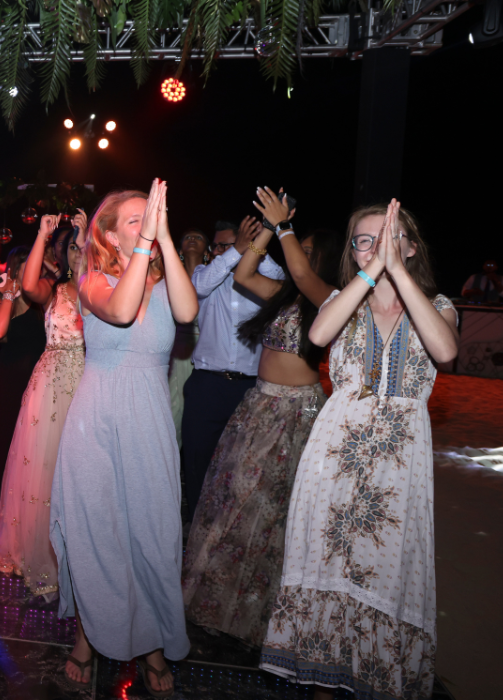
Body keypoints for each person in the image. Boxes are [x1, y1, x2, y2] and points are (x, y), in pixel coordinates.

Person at [260, 200, 458, 700]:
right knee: (328, 567)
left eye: (387, 237)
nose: (375, 246)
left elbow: (446, 351)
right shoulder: (342, 301)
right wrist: (372, 272)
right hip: (336, 453)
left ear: (410, 247)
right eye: (363, 240)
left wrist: (398, 273)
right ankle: (322, 683)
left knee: (385, 574)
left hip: (399, 461)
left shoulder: (438, 307)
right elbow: (319, 333)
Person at [51, 181, 198, 696]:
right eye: (134, 219)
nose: (146, 224)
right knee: (95, 533)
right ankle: (89, 633)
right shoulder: (91, 281)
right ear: (109, 235)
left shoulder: (163, 276)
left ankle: (154, 643)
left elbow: (186, 314)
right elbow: (119, 309)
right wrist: (142, 247)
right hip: (96, 419)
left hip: (149, 420)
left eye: (150, 215)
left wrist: (164, 240)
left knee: (153, 534)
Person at [182, 188, 340, 646]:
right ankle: (222, 597)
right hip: (260, 404)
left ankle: (264, 608)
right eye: (299, 249)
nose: (298, 257)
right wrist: (264, 233)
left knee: (271, 513)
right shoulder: (282, 296)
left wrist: (285, 228)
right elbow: (245, 272)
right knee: (231, 502)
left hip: (294, 413)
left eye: (308, 253)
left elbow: (300, 272)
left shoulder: (330, 299)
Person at [0, 212, 86, 598]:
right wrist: (43, 235)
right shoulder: (54, 289)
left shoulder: (106, 291)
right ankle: (39, 559)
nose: (78, 254)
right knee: (41, 470)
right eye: (72, 249)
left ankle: (78, 560)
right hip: (49, 383)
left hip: (89, 381)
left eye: (83, 247)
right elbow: (27, 284)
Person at [181, 216, 284, 521]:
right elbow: (197, 287)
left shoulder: (264, 279)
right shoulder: (203, 274)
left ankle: (234, 533)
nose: (229, 250)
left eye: (235, 243)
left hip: (249, 388)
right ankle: (199, 526)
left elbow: (281, 279)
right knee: (198, 461)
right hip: (206, 386)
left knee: (244, 465)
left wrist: (252, 248)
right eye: (221, 246)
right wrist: (234, 252)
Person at [0, 246, 47, 523]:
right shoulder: (2, 299)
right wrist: (8, 293)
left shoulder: (45, 301)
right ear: (14, 271)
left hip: (41, 383)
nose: (33, 274)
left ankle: (30, 513)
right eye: (26, 268)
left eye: (36, 267)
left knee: (36, 450)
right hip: (10, 381)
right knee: (6, 444)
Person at [169, 228, 211, 448]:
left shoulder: (216, 279)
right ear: (180, 250)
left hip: (208, 352)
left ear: (208, 251)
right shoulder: (169, 277)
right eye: (187, 236)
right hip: (178, 350)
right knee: (174, 407)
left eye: (199, 237)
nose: (193, 239)